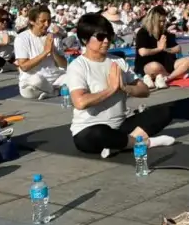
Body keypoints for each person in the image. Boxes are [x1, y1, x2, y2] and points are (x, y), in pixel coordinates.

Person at [65, 13, 174, 158]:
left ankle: (120, 144)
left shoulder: (118, 62)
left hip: (121, 126)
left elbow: (144, 90)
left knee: (164, 112)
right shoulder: (78, 66)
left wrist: (125, 88)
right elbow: (80, 102)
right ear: (85, 40)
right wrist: (111, 89)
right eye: (100, 37)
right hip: (89, 129)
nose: (106, 41)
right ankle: (143, 143)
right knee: (100, 133)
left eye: (109, 36)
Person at [14, 5, 67, 100]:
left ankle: (50, 91)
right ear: (32, 21)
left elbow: (64, 65)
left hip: (55, 79)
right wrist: (45, 52)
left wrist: (53, 51)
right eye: (43, 21)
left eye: (49, 21)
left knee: (75, 76)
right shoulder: (22, 38)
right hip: (34, 81)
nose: (47, 24)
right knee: (33, 84)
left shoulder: (54, 37)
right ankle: (54, 92)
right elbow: (24, 67)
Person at [135, 6, 189, 88]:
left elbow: (178, 48)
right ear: (152, 21)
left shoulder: (164, 32)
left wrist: (166, 49)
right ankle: (175, 75)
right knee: (155, 66)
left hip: (166, 63)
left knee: (188, 60)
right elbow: (142, 52)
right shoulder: (143, 32)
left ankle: (167, 78)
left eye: (164, 21)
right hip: (148, 65)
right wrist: (158, 49)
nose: (162, 24)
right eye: (160, 21)